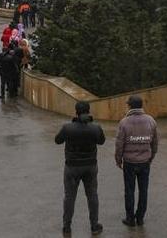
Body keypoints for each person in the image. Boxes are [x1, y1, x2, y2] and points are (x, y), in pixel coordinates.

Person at [55, 101, 105, 236]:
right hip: (90, 166)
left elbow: (57, 140)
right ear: (88, 111)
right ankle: (94, 226)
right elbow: (101, 141)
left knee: (69, 197)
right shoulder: (96, 128)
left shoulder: (67, 128)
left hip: (72, 167)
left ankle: (67, 226)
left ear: (76, 112)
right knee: (92, 195)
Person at [115, 96, 159, 228]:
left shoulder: (124, 122)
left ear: (130, 106)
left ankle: (130, 219)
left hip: (129, 162)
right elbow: (155, 142)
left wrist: (118, 159)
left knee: (129, 190)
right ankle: (140, 218)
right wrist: (151, 157)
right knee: (143, 190)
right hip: (145, 162)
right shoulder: (151, 121)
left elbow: (119, 144)